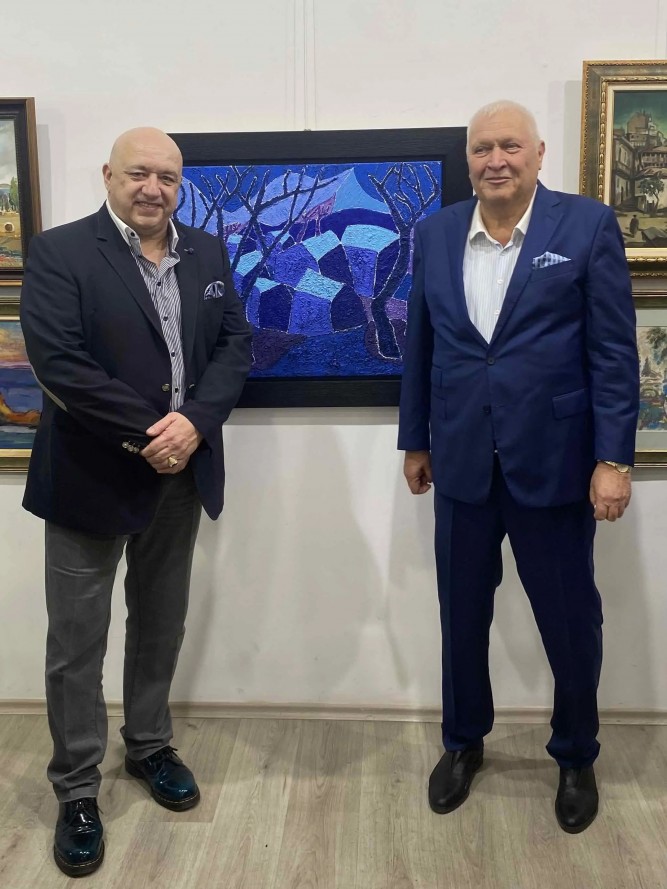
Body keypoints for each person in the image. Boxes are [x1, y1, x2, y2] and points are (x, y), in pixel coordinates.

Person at [398, 101, 638, 834]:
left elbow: (612, 353)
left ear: (538, 154)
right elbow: (422, 346)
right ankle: (462, 742)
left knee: (569, 621)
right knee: (461, 616)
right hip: (461, 464)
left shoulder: (586, 226)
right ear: (468, 159)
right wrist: (415, 440)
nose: (494, 160)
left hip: (555, 465)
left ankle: (575, 753)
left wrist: (612, 459)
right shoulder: (437, 233)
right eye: (481, 148)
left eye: (509, 146)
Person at [20, 127, 252, 876]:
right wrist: (154, 433)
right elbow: (60, 362)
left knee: (160, 623)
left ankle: (149, 746)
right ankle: (77, 787)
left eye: (168, 177)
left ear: (181, 185)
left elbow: (234, 347)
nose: (154, 188)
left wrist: (195, 424)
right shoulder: (60, 252)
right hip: (90, 478)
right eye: (139, 173)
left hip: (180, 475)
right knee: (76, 643)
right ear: (108, 175)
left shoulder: (207, 253)